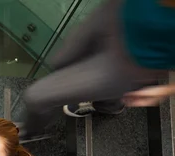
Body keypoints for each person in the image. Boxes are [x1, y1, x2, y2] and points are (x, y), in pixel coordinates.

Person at [21, 0, 175, 136]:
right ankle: (110, 101)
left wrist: (167, 90)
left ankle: (27, 134)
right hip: (115, 11)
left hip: (130, 62)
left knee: (36, 96)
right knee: (61, 61)